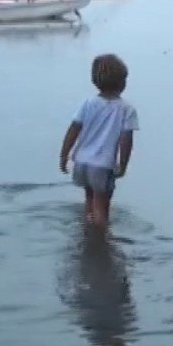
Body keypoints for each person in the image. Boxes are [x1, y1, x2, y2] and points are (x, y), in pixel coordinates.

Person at [59, 54, 139, 228]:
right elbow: (126, 141)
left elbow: (73, 129)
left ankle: (87, 231)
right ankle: (100, 242)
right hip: (102, 165)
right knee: (102, 204)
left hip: (82, 162)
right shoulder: (126, 109)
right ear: (122, 83)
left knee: (90, 199)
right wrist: (123, 165)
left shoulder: (88, 103)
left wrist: (63, 155)